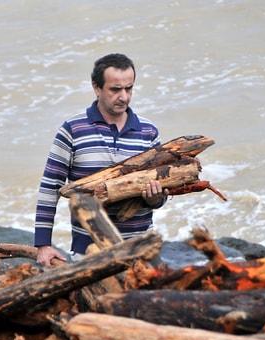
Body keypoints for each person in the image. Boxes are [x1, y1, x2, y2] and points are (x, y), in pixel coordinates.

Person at [34, 53, 168, 266]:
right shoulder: (73, 130)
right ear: (97, 88)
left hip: (140, 250)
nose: (124, 96)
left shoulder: (148, 131)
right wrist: (43, 244)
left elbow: (160, 196)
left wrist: (156, 198)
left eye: (129, 88)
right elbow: (50, 188)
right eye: (115, 90)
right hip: (89, 251)